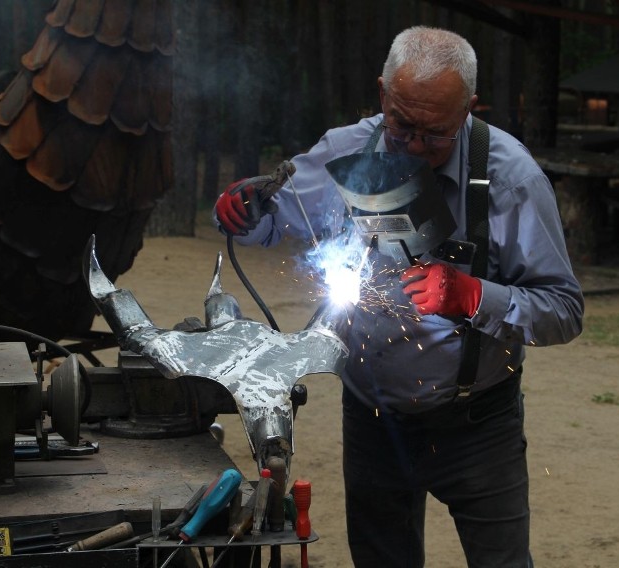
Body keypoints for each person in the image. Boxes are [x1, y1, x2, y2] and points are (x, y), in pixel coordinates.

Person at [214, 25, 583, 568]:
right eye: (401, 126)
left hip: (478, 426)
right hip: (374, 420)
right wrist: (246, 211)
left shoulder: (511, 180)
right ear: (383, 93)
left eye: (434, 135)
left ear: (469, 111)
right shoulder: (347, 151)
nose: (413, 147)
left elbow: (564, 310)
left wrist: (474, 295)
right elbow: (274, 217)